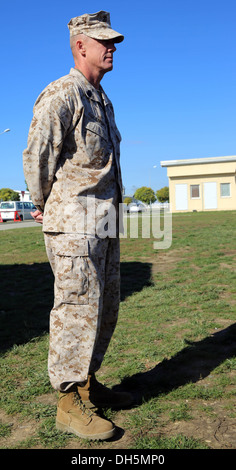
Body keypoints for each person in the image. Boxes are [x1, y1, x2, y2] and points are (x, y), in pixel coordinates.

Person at [23, 11, 132, 441]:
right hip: (73, 224)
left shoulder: (101, 100)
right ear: (79, 45)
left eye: (113, 41)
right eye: (103, 40)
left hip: (104, 222)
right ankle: (69, 403)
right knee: (76, 311)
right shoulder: (62, 93)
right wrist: (43, 202)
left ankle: (88, 385)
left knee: (105, 310)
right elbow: (37, 157)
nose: (112, 47)